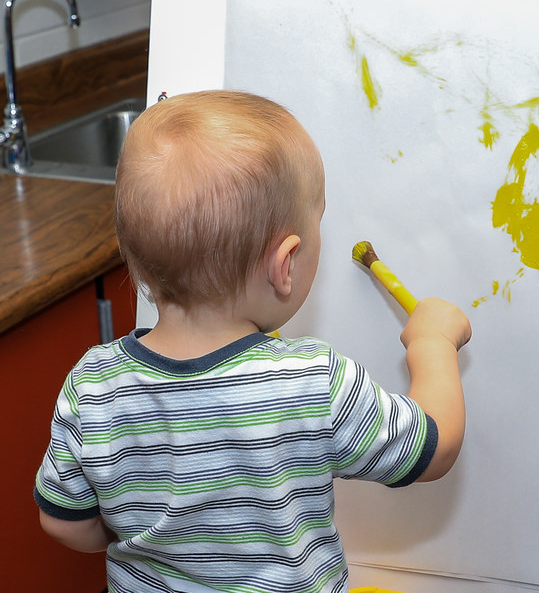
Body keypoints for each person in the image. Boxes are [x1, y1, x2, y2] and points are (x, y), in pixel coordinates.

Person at [33, 90, 471, 593]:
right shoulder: (311, 382)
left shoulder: (93, 385)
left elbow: (63, 522)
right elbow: (434, 449)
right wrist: (432, 344)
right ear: (284, 265)